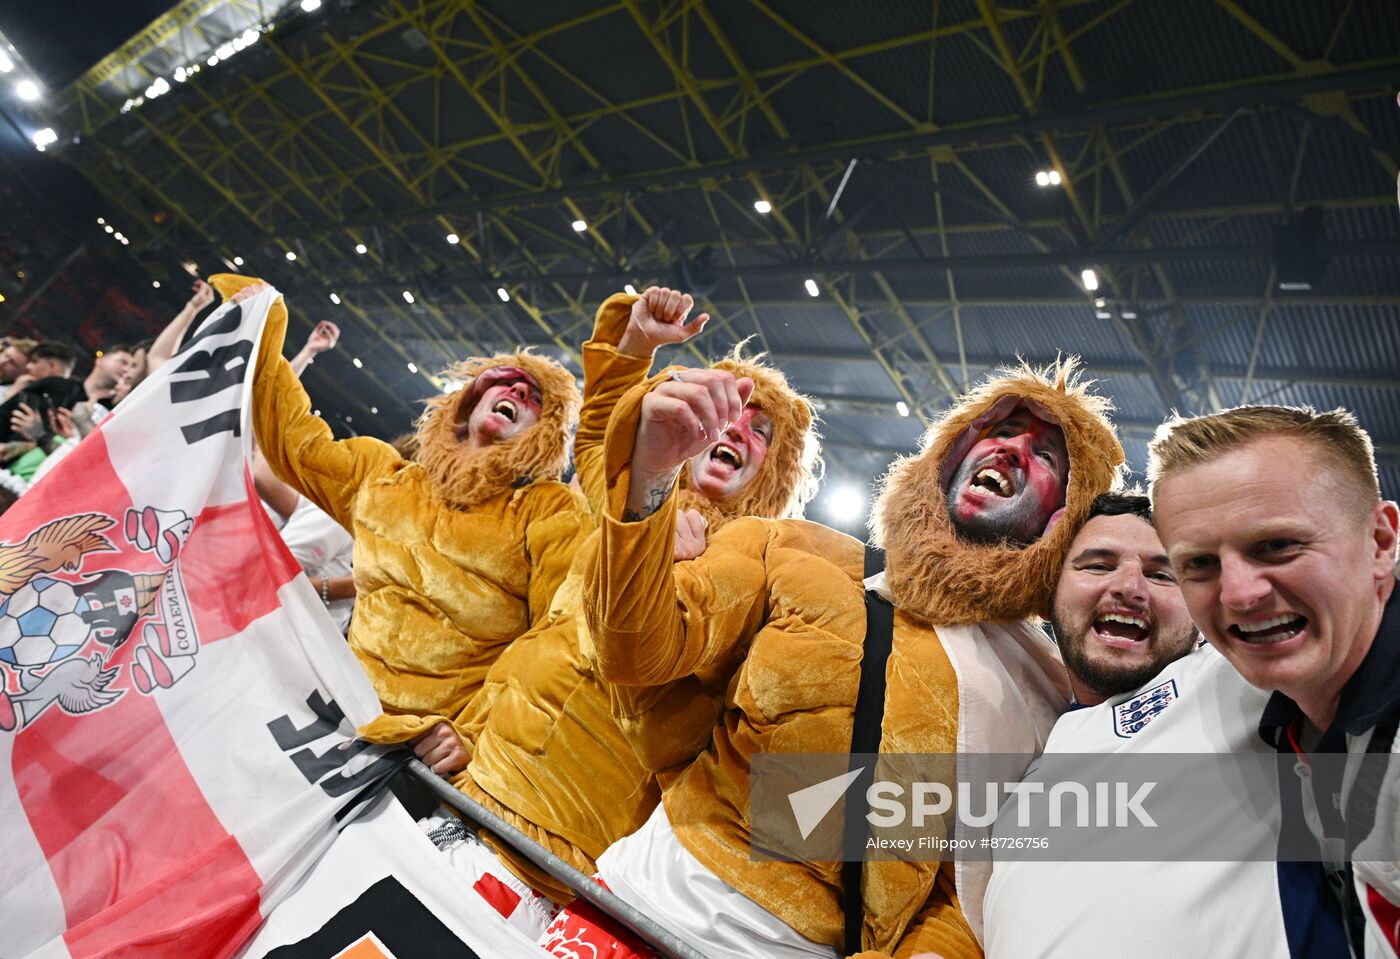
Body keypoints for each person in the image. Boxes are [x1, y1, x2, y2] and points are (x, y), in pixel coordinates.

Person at [571, 360, 1123, 958]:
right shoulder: (792, 549)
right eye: (1000, 430)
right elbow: (634, 653)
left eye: (1045, 456)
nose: (1012, 449)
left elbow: (962, 896)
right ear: (952, 452)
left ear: (1067, 516)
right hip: (627, 910)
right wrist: (650, 478)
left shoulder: (1038, 693)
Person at [418, 287, 821, 938]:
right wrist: (637, 343)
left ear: (775, 473)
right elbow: (609, 418)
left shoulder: (766, 577)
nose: (738, 428)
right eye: (729, 409)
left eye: (761, 430)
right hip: (471, 787)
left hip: (558, 860)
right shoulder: (622, 494)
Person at [221, 273, 594, 776]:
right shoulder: (382, 476)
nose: (518, 391)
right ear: (467, 402)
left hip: (434, 755)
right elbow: (293, 440)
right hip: (336, 717)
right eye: (506, 383)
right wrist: (263, 329)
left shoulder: (546, 510)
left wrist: (476, 732)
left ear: (544, 436)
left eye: (534, 400)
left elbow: (555, 637)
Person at [982, 492, 1288, 958]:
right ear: (1047, 598)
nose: (1130, 587)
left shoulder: (1235, 678)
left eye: (1163, 574)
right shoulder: (1026, 760)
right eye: (1098, 566)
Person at [1150, 405, 1400, 958]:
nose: (1239, 593)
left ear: (1380, 542)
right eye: (1199, 564)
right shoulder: (1291, 722)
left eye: (1277, 545)